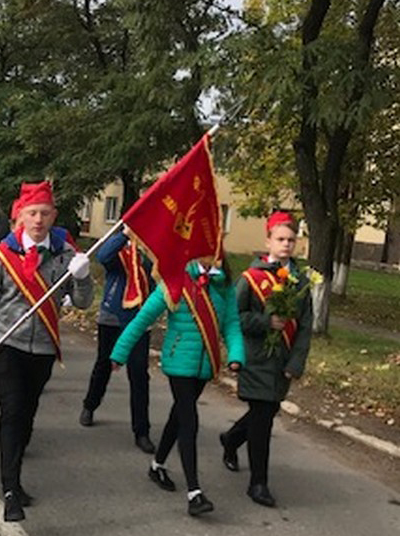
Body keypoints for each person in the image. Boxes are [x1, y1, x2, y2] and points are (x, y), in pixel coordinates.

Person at [0, 181, 94, 522]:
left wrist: (83, 277)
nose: (38, 220)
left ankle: (14, 475)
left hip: (44, 347)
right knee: (13, 411)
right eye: (32, 213)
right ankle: (10, 489)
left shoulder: (64, 252)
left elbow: (82, 302)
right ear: (19, 216)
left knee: (27, 413)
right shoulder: (1, 255)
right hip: (7, 345)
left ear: (54, 216)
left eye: (45, 213)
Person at [110, 258, 245, 517]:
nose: (211, 254)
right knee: (189, 421)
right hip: (178, 361)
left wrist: (236, 355)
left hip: (205, 365)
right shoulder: (175, 280)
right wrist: (120, 352)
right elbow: (143, 318)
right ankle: (194, 493)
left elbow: (231, 323)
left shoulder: (222, 283)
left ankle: (157, 465)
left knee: (179, 416)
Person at [220, 212, 312, 507]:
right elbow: (233, 317)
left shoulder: (300, 282)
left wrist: (296, 362)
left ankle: (232, 439)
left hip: (282, 359)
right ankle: (258, 483)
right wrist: (264, 322)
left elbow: (306, 326)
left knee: (267, 411)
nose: (286, 245)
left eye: (291, 240)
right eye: (281, 239)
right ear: (268, 241)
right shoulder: (251, 278)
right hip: (256, 357)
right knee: (262, 419)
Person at [79, 233, 156, 453]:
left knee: (139, 373)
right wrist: (124, 234)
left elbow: (158, 276)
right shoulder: (119, 252)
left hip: (139, 319)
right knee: (103, 365)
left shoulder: (148, 257)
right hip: (112, 317)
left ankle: (141, 431)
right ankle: (90, 405)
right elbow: (103, 255)